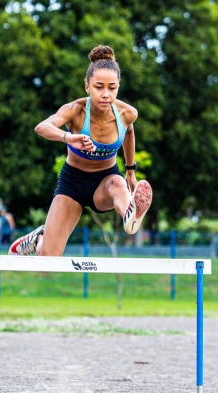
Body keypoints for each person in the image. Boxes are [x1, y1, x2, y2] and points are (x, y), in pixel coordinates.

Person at [9, 45, 151, 256]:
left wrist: (130, 170)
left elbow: (129, 132)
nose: (105, 94)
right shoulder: (75, 111)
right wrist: (69, 137)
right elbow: (41, 127)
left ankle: (129, 215)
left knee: (118, 182)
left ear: (118, 87)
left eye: (112, 88)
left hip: (105, 180)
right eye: (98, 87)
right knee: (47, 261)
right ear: (87, 87)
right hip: (72, 183)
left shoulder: (127, 113)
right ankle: (38, 238)